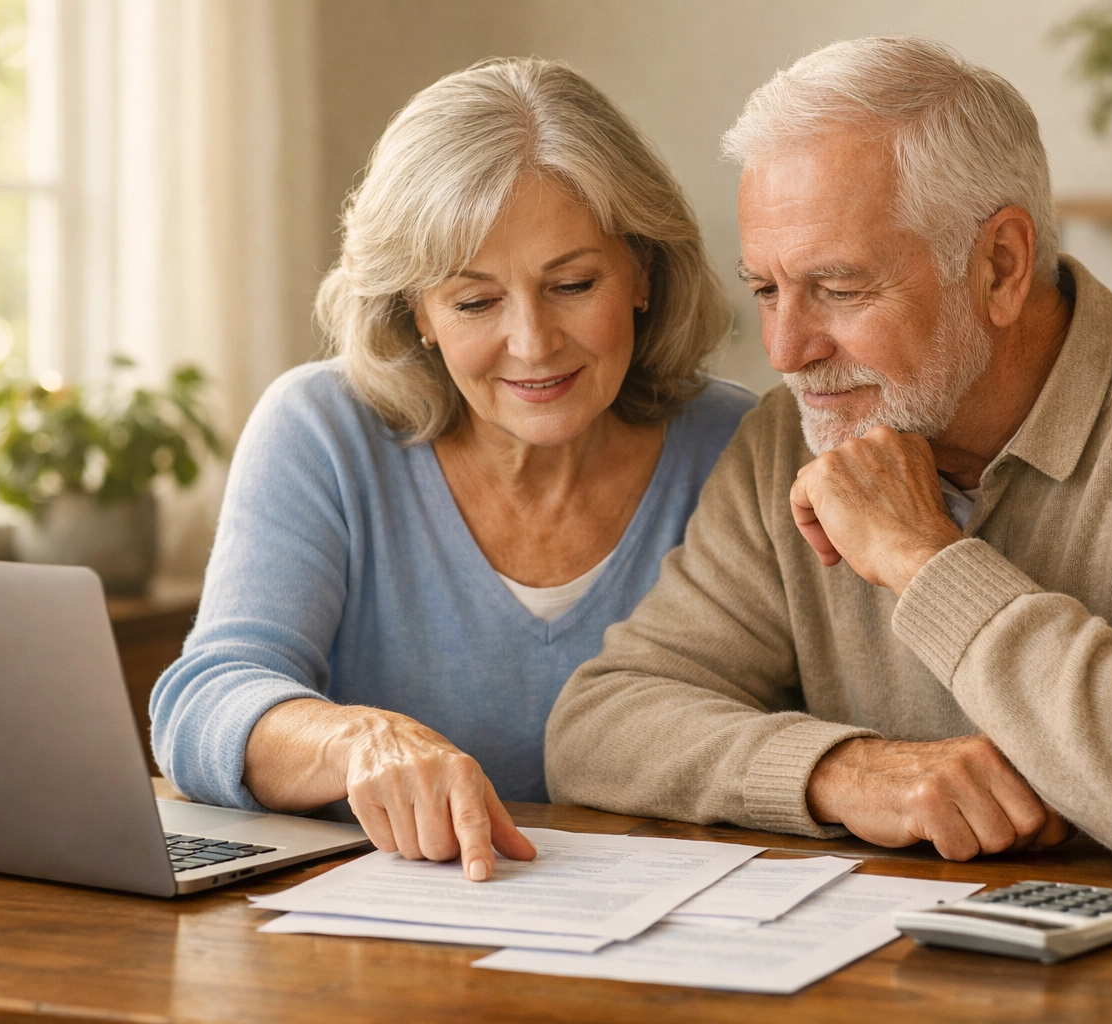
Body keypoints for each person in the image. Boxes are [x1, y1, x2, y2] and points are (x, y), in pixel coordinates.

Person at [543, 37, 1112, 879]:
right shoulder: (794, 435)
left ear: (1002, 267)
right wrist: (845, 773)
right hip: (976, 951)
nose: (786, 350)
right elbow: (600, 728)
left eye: (839, 287)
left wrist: (923, 558)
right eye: (768, 290)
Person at [150, 58, 753, 882]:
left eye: (573, 284)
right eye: (475, 302)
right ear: (417, 312)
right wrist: (358, 742)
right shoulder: (321, 430)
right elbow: (204, 702)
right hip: (384, 926)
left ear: (643, 271)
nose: (533, 343)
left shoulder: (737, 445)